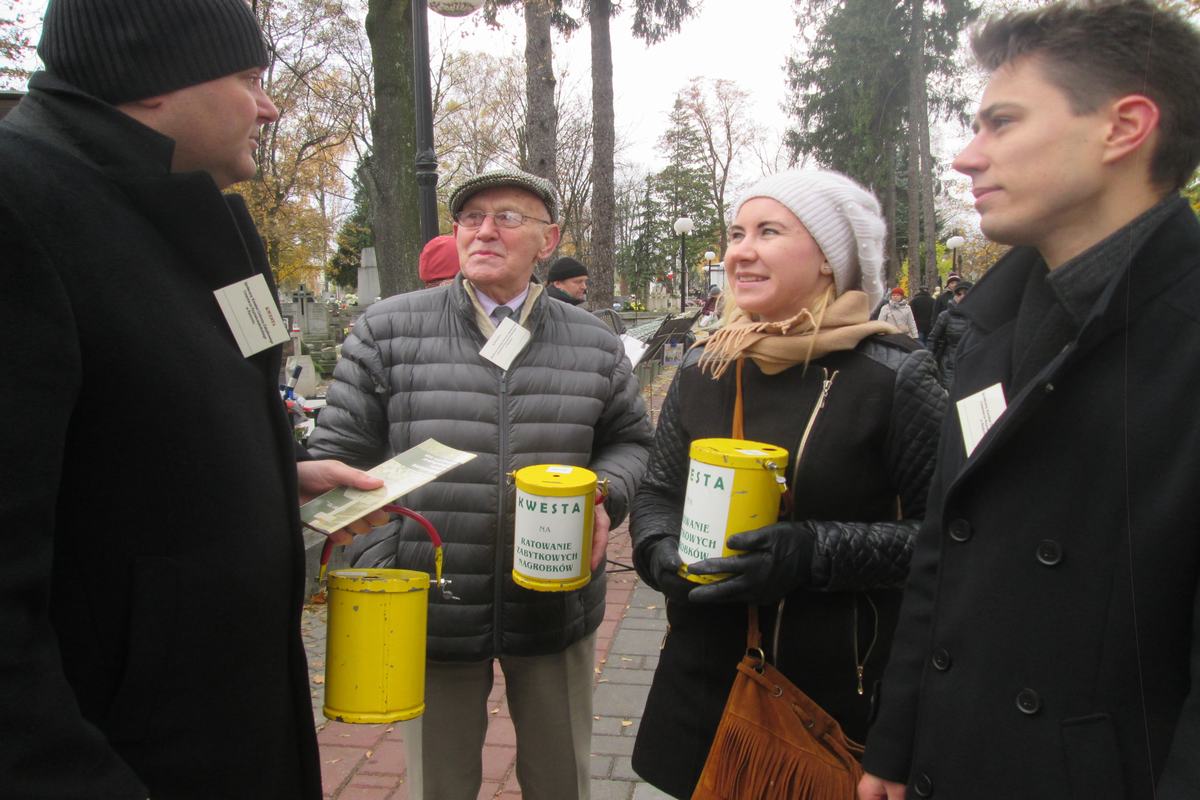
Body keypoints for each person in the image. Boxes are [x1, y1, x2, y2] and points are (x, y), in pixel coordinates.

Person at [0, 1, 388, 797]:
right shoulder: (22, 207)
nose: (269, 107)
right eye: (248, 78)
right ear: (153, 76)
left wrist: (276, 474)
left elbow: (142, 429)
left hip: (224, 726)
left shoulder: (184, 209)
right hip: (135, 757)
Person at [860, 2, 1200, 798]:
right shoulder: (992, 324)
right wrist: (895, 743)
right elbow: (945, 549)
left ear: (1124, 128)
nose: (966, 157)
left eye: (1002, 123)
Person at [307, 167, 653, 800]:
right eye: (472, 218)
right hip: (431, 601)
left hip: (554, 597)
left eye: (508, 217)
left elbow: (632, 442)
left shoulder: (594, 343)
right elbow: (337, 454)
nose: (485, 231)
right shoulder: (388, 328)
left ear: (548, 240)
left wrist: (603, 495)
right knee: (439, 784)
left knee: (562, 780)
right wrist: (383, 552)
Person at [628, 169, 947, 799]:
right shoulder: (705, 365)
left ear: (831, 258)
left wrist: (812, 553)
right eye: (736, 234)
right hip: (703, 679)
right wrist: (657, 549)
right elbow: (660, 491)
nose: (740, 252)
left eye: (768, 232)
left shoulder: (895, 377)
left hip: (828, 695)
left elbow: (946, 539)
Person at [926, 280, 972, 388]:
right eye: (958, 294)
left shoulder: (977, 316)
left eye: (965, 293)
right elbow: (933, 339)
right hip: (949, 364)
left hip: (972, 363)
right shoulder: (945, 316)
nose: (962, 297)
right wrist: (930, 360)